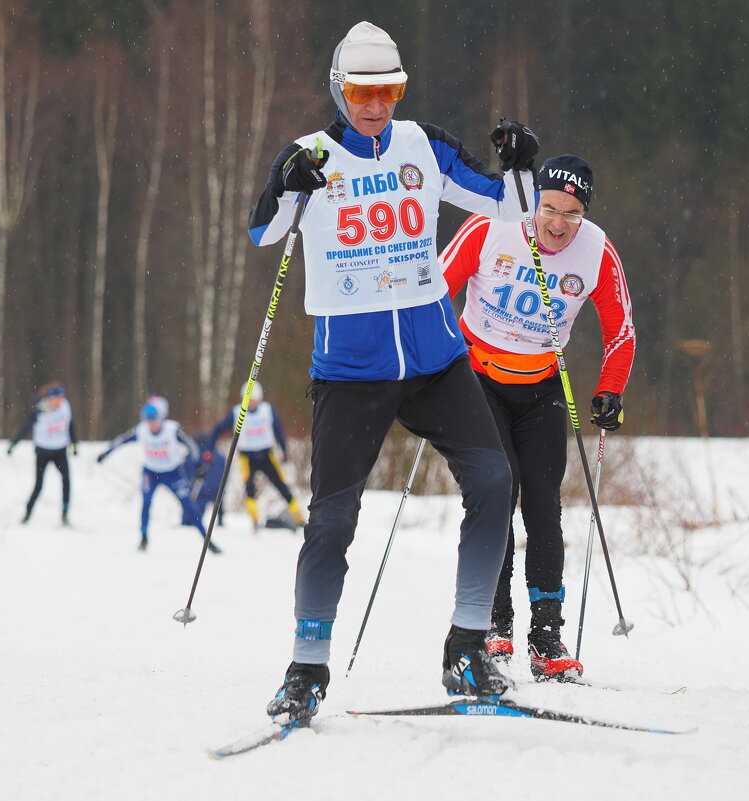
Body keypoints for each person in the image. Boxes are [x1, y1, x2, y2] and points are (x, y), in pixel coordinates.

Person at [248, 20, 540, 725]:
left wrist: (524, 162)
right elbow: (263, 231)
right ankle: (305, 666)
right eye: (361, 91)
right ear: (339, 90)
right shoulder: (311, 156)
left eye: (387, 90)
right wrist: (285, 183)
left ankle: (468, 646)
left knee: (497, 482)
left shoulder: (425, 145)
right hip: (352, 369)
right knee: (333, 520)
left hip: (436, 360)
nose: (374, 104)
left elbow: (510, 205)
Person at [441, 154, 636, 682]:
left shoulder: (597, 251)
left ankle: (546, 638)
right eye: (549, 208)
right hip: (479, 381)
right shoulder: (492, 226)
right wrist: (438, 363)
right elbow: (434, 292)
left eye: (571, 214)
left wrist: (609, 390)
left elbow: (621, 332)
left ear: (585, 214)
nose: (557, 223)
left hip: (543, 386)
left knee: (544, 506)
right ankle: (494, 623)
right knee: (496, 494)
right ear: (535, 204)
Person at [96, 396, 222, 554]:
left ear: (161, 418)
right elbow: (121, 440)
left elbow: (191, 445)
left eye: (154, 420)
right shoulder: (141, 430)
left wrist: (199, 465)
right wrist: (105, 453)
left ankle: (207, 539)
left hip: (173, 472)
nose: (151, 424)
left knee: (188, 506)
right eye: (148, 420)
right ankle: (143, 537)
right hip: (151, 472)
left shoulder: (172, 429)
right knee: (146, 502)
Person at [207, 381, 306, 531]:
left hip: (267, 454)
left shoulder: (267, 410)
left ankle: (298, 518)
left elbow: (279, 430)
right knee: (249, 487)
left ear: (259, 398)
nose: (250, 403)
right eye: (247, 399)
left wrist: (285, 450)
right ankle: (254, 520)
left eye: (253, 399)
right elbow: (217, 429)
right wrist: (210, 449)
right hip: (247, 457)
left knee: (281, 485)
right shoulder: (237, 412)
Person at [7, 383, 77, 524]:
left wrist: (75, 443)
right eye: (56, 398)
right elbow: (25, 428)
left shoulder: (65, 408)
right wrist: (13, 443)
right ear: (49, 399)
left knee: (66, 481)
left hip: (60, 451)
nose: (59, 401)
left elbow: (70, 426)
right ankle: (27, 513)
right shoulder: (39, 412)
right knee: (39, 486)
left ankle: (65, 513)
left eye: (61, 397)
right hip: (43, 452)